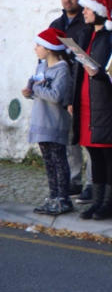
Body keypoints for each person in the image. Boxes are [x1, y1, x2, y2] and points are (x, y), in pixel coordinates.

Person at [72, 0, 112, 220]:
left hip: (108, 104)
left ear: (99, 11)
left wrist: (100, 75)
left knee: (110, 154)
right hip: (87, 104)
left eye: (88, 8)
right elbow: (78, 73)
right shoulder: (86, 35)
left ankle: (111, 204)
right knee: (94, 154)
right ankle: (97, 202)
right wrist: (71, 100)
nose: (84, 12)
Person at [49, 0, 92, 201]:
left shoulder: (88, 23)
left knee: (88, 138)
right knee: (67, 138)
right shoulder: (55, 25)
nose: (67, 0)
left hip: (82, 87)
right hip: (60, 88)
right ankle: (74, 180)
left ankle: (93, 183)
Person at [26, 29, 76, 216]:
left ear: (49, 48)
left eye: (38, 45)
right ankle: (53, 196)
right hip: (40, 121)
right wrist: (29, 92)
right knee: (48, 162)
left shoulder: (62, 69)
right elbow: (37, 91)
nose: (35, 49)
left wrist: (35, 88)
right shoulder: (41, 68)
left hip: (54, 123)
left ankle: (64, 199)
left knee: (59, 161)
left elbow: (56, 96)